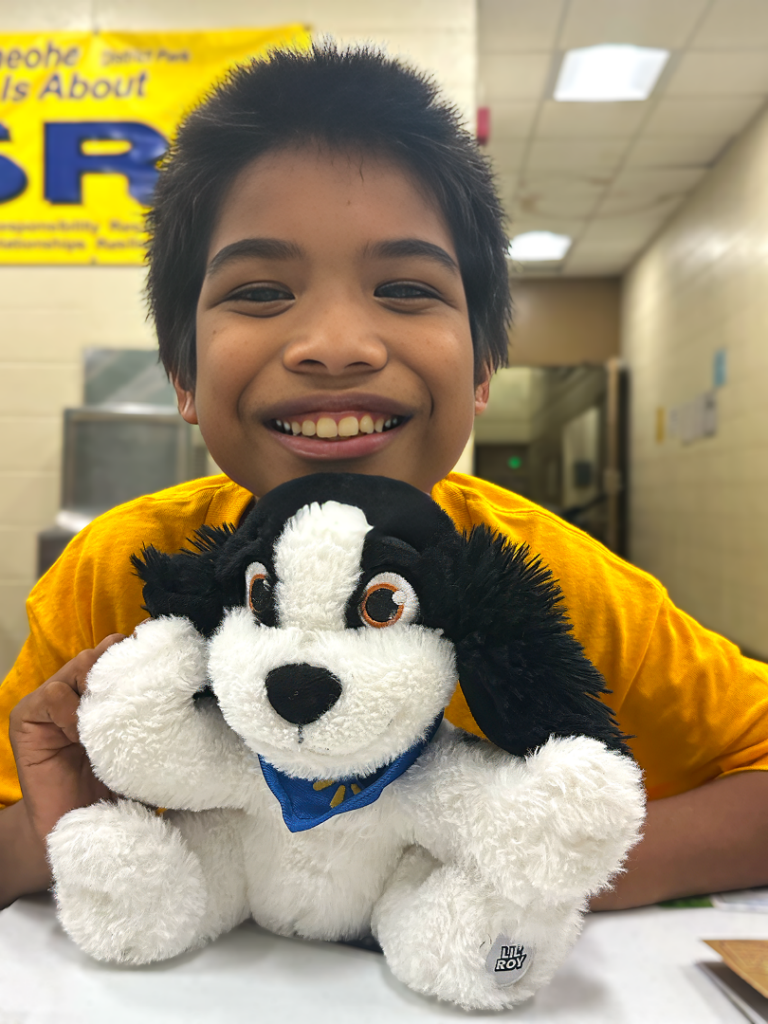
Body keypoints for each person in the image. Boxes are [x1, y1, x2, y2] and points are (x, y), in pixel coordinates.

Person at [2, 43, 768, 914]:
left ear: (482, 369)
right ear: (183, 374)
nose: (337, 343)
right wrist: (48, 833)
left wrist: (527, 875)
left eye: (405, 287)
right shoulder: (123, 574)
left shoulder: (552, 581)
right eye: (259, 292)